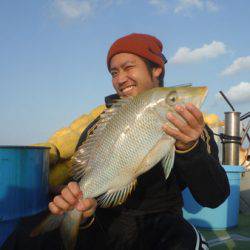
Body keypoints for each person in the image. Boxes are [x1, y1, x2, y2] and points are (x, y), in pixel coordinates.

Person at [2, 33, 229, 250]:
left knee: (185, 243)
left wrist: (190, 149)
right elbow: (78, 180)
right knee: (25, 235)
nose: (120, 79)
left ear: (157, 69)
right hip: (104, 221)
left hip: (160, 223)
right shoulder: (98, 126)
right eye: (114, 72)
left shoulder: (191, 126)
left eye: (129, 67)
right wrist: (79, 209)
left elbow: (214, 197)